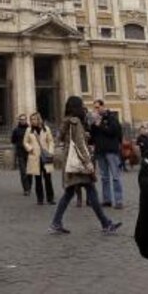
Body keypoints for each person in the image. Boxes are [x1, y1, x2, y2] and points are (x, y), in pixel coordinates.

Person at [49, 96, 121, 235]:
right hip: (79, 163)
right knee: (90, 192)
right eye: (81, 105)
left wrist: (84, 136)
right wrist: (88, 163)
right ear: (77, 107)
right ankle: (106, 224)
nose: (83, 108)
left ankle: (56, 223)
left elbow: (63, 138)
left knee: (70, 193)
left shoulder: (67, 121)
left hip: (70, 163)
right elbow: (80, 145)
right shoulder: (76, 122)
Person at [89, 99, 123, 209]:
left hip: (111, 151)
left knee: (115, 176)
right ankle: (107, 199)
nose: (96, 110)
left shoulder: (112, 117)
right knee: (104, 177)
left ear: (103, 106)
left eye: (97, 107)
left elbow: (114, 131)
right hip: (100, 151)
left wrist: (100, 125)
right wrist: (92, 126)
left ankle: (118, 200)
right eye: (95, 108)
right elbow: (93, 137)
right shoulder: (95, 121)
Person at [23, 112, 55, 205]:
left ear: (38, 119)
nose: (32, 121)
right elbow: (25, 142)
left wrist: (50, 151)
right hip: (34, 156)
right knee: (38, 179)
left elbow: (51, 141)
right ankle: (40, 198)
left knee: (48, 179)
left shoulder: (46, 129)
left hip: (45, 156)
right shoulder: (29, 130)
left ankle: (50, 198)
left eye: (34, 119)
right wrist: (30, 148)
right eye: (31, 119)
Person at [10, 114, 32, 196]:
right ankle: (26, 189)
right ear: (19, 120)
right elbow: (13, 140)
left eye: (24, 119)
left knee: (30, 172)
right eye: (21, 119)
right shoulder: (16, 130)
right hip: (20, 153)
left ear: (26, 120)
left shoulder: (30, 129)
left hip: (29, 152)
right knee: (23, 172)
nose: (22, 121)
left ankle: (29, 186)